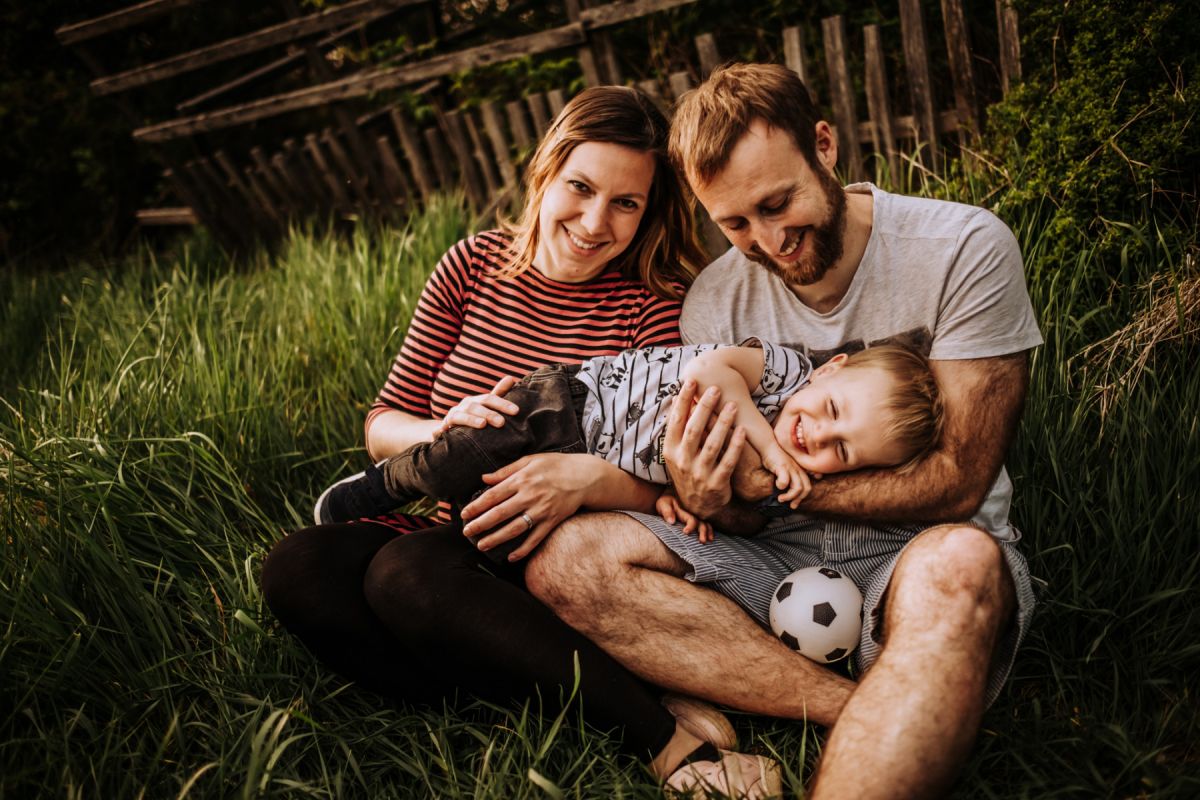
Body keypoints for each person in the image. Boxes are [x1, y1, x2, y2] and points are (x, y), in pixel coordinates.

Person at [487, 63, 1044, 798]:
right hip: (763, 551)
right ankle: (862, 707)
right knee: (569, 559)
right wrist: (705, 493)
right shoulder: (714, 300)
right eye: (736, 223)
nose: (770, 240)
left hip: (919, 541)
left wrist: (778, 488)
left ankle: (777, 693)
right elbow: (731, 504)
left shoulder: (962, 247)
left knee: (964, 567)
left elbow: (957, 479)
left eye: (779, 203)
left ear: (825, 145)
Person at [260, 85, 782, 795]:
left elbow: (671, 485)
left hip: (546, 546)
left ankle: (671, 749)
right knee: (300, 568)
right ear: (545, 170)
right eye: (581, 187)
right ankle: (551, 690)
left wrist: (589, 480)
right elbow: (383, 424)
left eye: (625, 203)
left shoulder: (650, 308)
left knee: (406, 575)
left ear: (649, 212)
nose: (595, 222)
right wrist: (438, 430)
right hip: (447, 525)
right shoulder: (471, 265)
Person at [315, 342, 943, 552]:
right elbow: (711, 380)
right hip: (572, 402)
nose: (817, 434)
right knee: (463, 455)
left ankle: (425, 534)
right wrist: (773, 453)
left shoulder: (792, 488)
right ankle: (386, 484)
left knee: (499, 513)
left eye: (844, 451)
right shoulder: (779, 369)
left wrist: (675, 502)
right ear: (829, 370)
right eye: (832, 411)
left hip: (598, 469)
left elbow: (729, 510)